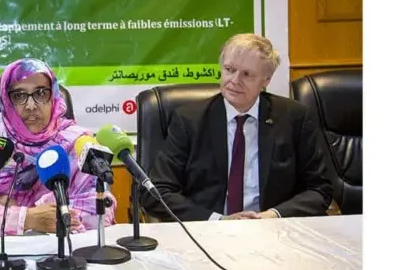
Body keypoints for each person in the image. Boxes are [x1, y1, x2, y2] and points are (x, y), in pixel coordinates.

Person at [142, 33, 333, 221]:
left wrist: (273, 215)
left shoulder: (294, 118)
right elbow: (156, 193)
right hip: (208, 231)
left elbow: (320, 190)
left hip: (273, 229)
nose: (234, 80)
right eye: (229, 69)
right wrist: (218, 220)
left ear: (266, 80)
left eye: (246, 74)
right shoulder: (189, 120)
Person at [0, 58, 116, 236]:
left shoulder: (76, 142)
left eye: (41, 93)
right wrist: (26, 218)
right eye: (19, 96)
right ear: (6, 100)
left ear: (54, 96)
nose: (31, 106)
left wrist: (11, 210)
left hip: (61, 249)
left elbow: (102, 210)